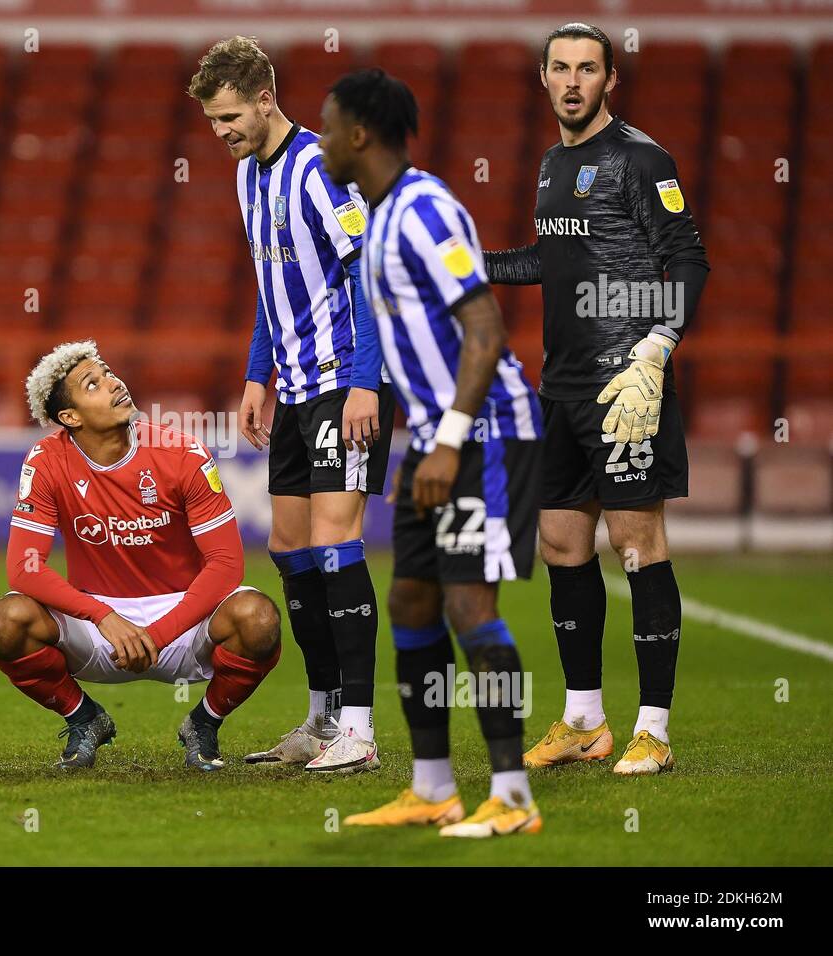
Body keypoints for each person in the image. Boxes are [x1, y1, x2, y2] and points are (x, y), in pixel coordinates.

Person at [319, 68, 545, 837]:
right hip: (436, 440)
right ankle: (432, 788)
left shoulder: (424, 211)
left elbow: (486, 330)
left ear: (360, 135)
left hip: (485, 434)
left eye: (328, 126)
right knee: (413, 600)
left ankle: (512, 798)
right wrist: (420, 448)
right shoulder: (377, 219)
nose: (318, 142)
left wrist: (446, 443)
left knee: (468, 604)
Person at [484, 23, 710, 775]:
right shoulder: (553, 164)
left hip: (626, 386)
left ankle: (655, 729)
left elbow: (688, 257)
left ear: (611, 79)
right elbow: (547, 261)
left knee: (638, 545)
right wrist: (467, 266)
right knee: (560, 543)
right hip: (563, 386)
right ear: (542, 78)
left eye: (588, 68)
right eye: (561, 68)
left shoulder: (642, 159)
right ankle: (585, 720)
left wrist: (656, 349)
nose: (573, 80)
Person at [188, 36, 395, 774]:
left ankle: (362, 734)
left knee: (339, 544)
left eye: (232, 116)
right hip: (297, 390)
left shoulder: (318, 168)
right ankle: (322, 717)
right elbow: (272, 287)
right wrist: (256, 374)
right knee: (291, 552)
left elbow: (366, 273)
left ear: (267, 98)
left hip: (346, 385)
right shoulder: (246, 176)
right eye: (214, 121)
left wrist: (367, 381)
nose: (223, 132)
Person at [0, 340, 282, 771]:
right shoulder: (47, 461)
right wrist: (102, 616)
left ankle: (204, 724)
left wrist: (159, 635)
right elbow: (24, 568)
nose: (113, 384)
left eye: (107, 373)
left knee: (259, 619)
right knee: (5, 621)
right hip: (98, 628)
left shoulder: (183, 453)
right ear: (70, 417)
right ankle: (83, 718)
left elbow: (226, 564)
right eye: (93, 384)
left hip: (183, 621)